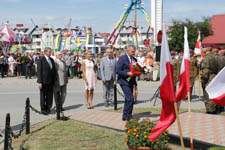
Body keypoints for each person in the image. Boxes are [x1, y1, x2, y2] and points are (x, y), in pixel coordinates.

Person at [116, 45, 137, 121]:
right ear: (127, 51)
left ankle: (129, 115)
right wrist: (127, 73)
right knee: (130, 98)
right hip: (124, 81)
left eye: (134, 51)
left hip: (131, 81)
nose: (133, 53)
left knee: (130, 99)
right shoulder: (122, 59)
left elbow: (136, 69)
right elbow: (118, 70)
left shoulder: (134, 59)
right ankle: (125, 115)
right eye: (132, 51)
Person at [37, 47, 56, 114]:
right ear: (45, 52)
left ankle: (48, 108)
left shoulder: (51, 60)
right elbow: (39, 72)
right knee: (43, 95)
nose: (50, 53)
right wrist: (39, 82)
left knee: (49, 95)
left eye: (50, 51)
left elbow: (53, 70)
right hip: (43, 81)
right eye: (49, 52)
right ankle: (43, 109)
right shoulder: (41, 60)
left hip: (51, 81)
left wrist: (54, 79)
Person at [200, 47, 218, 114]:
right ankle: (214, 108)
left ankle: (210, 110)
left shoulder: (207, 58)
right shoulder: (214, 57)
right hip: (214, 76)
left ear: (207, 50)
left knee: (207, 94)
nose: (203, 49)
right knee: (212, 93)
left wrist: (203, 79)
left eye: (204, 48)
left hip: (208, 77)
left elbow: (206, 70)